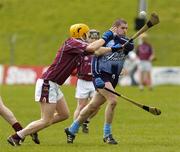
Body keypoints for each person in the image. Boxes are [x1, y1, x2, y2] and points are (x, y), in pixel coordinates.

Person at [7, 23, 122, 146]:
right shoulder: (72, 43)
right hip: (48, 83)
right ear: (81, 34)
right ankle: (17, 136)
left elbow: (98, 50)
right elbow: (93, 48)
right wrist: (107, 35)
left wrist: (112, 49)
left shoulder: (78, 46)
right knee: (46, 120)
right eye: (86, 34)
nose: (88, 36)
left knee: (64, 114)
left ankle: (34, 129)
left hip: (54, 84)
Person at [64, 19, 134, 144]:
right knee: (113, 101)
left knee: (92, 106)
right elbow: (96, 51)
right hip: (101, 76)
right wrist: (113, 46)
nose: (125, 30)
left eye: (126, 28)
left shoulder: (125, 41)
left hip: (113, 78)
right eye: (122, 28)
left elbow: (130, 47)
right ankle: (107, 134)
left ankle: (72, 129)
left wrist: (126, 44)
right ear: (115, 28)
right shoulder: (105, 39)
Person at [74, 29, 100, 133]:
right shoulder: (82, 50)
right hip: (82, 82)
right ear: (87, 38)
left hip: (95, 81)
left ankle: (86, 120)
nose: (93, 40)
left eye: (96, 38)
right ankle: (73, 128)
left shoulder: (100, 50)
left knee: (96, 106)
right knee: (81, 106)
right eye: (91, 38)